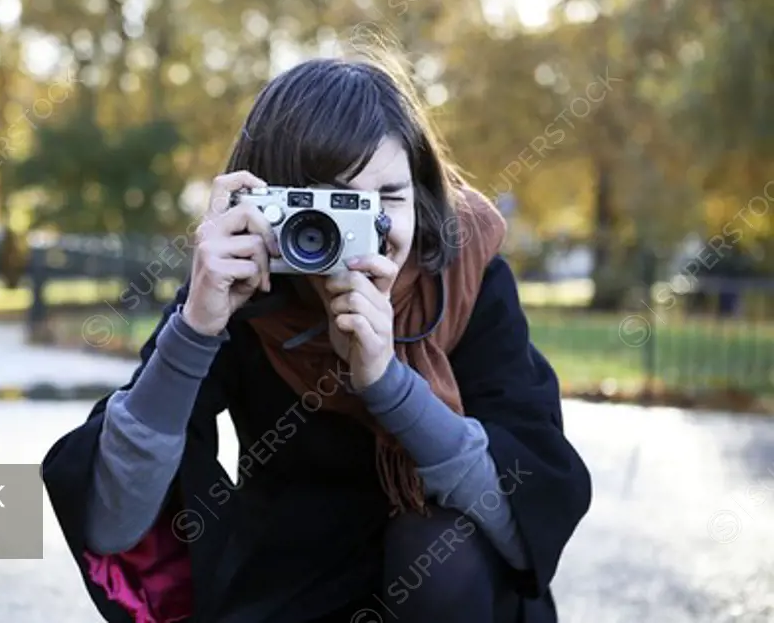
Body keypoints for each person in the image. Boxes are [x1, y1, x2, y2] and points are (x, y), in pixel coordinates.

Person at [42, 54, 592, 623]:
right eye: (326, 203)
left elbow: (519, 516)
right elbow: (115, 523)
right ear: (265, 203)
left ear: (422, 193)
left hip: (453, 585)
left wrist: (388, 383)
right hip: (292, 574)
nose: (365, 230)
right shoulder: (239, 288)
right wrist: (194, 331)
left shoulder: (461, 274)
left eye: (388, 197)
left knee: (436, 552)